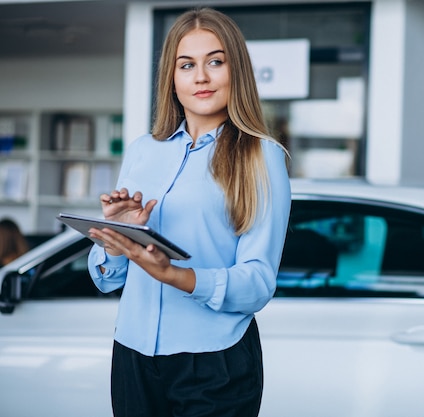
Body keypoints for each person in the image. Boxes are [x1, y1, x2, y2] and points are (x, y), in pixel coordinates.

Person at [86, 7, 291, 417]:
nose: (201, 77)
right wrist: (116, 238)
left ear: (237, 72)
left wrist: (174, 275)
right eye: (187, 65)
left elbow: (257, 283)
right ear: (172, 79)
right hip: (133, 353)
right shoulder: (144, 151)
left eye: (215, 61)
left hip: (215, 362)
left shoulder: (261, 156)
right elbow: (109, 281)